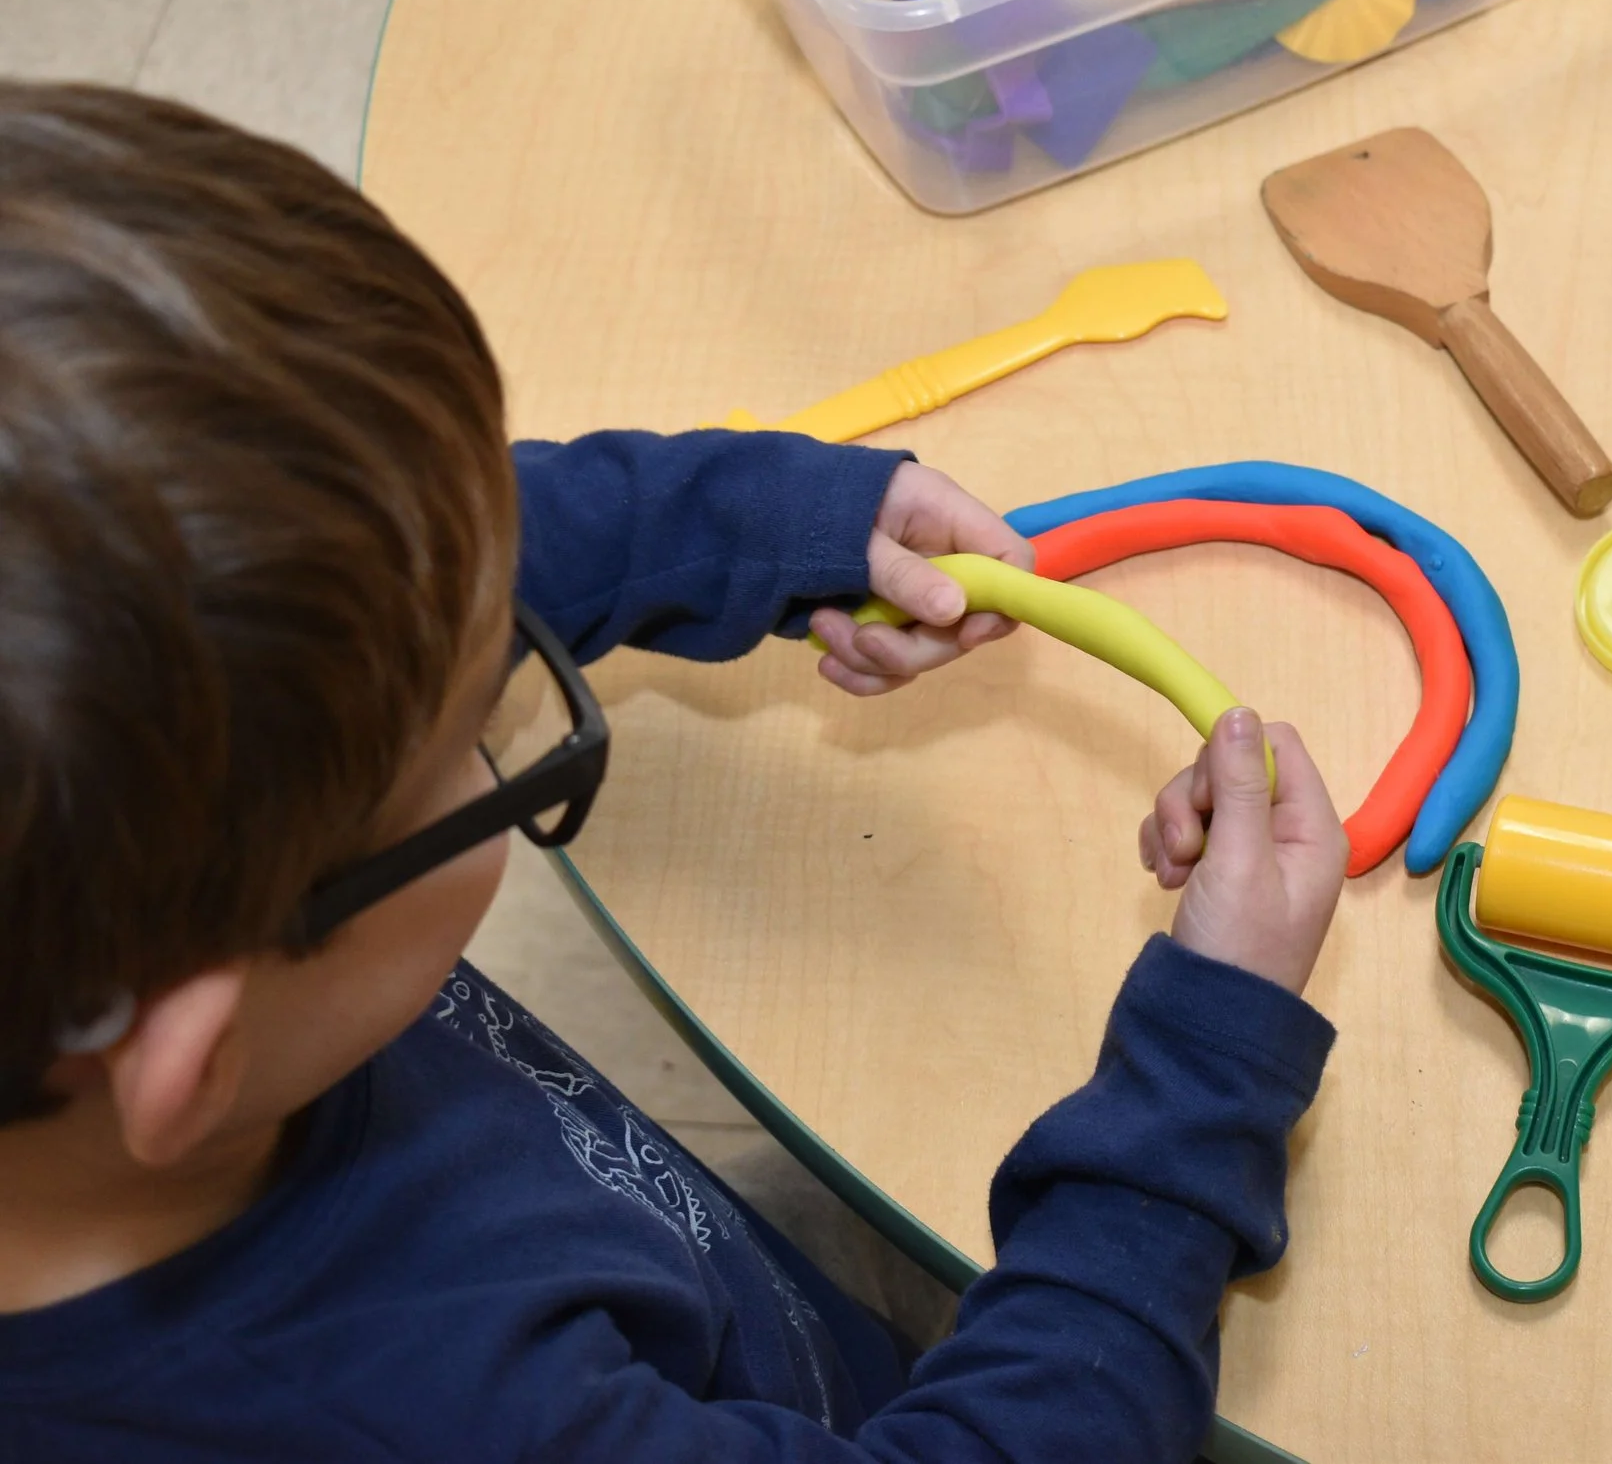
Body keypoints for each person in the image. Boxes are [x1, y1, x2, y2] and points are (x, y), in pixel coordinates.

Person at [0, 83, 1349, 1462]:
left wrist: (774, 521)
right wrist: (1203, 1064)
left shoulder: (121, 922)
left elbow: (402, 562)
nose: (508, 708)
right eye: (489, 729)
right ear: (190, 1060)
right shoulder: (447, 1417)